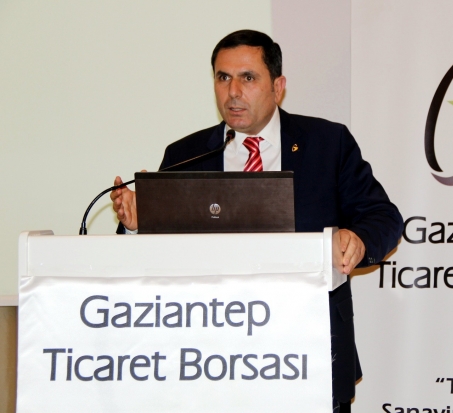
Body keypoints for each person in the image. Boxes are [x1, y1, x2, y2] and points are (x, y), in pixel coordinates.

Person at [111, 30, 403, 412]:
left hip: (309, 353)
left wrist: (358, 240)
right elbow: (157, 259)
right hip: (209, 360)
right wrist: (137, 224)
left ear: (277, 87)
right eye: (223, 77)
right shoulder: (186, 154)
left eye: (247, 78)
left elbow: (383, 216)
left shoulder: (327, 143)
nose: (233, 92)